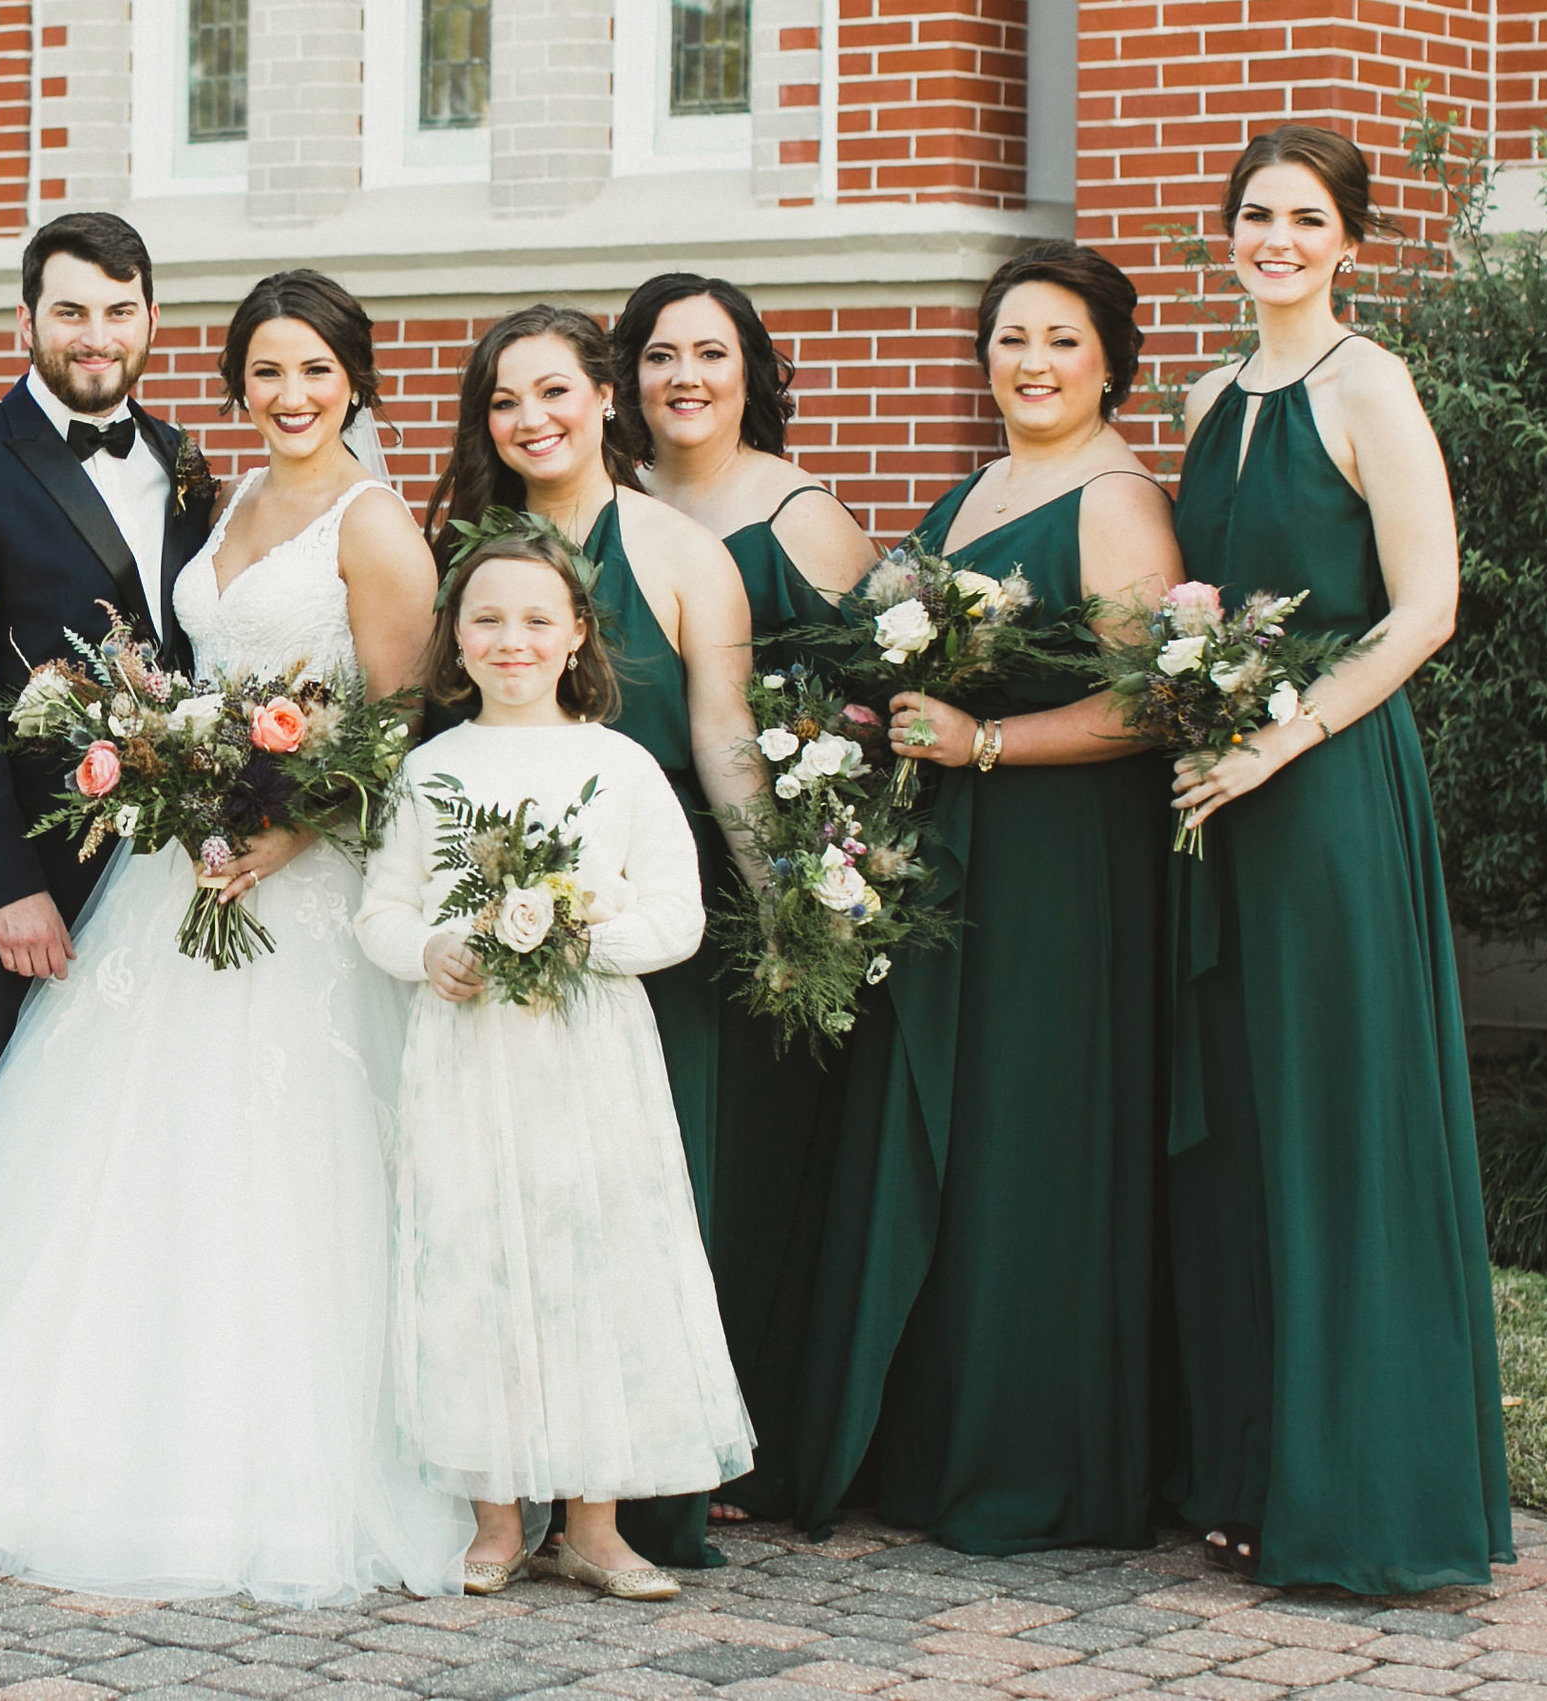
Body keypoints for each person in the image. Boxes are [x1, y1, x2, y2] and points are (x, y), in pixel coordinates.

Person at [0, 270, 465, 1606]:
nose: (290, 394)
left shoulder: (378, 521)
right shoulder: (224, 489)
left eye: (315, 370)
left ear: (356, 379)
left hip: (298, 891)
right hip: (174, 875)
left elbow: (396, 724)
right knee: (121, 1153)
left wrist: (288, 836)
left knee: (278, 1167)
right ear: (234, 381)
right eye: (266, 370)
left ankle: (257, 1457)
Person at [1161, 124, 1510, 1594]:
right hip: (1216, 792)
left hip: (1327, 788)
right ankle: (1256, 1473)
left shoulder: (1372, 386)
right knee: (1242, 1126)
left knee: (1333, 1119)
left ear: (1349, 242)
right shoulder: (1204, 395)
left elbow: (1426, 609)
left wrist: (1280, 738)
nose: (1278, 240)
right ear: (1228, 231)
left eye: (1308, 218)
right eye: (1257, 214)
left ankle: (1362, 1491)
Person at [790, 241, 1179, 1554]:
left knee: (1028, 1134)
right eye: (1012, 337)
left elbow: (1154, 703)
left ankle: (1031, 1456)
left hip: (1064, 865)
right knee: (945, 1130)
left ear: (1112, 363)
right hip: (960, 848)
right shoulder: (975, 489)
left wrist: (989, 743)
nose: (1033, 361)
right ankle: (924, 1438)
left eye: (1063, 339)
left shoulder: (1114, 500)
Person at [355, 530, 754, 1604]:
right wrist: (430, 950)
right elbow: (380, 910)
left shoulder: (619, 767)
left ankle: (594, 1526)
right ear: (455, 640)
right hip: (466, 1056)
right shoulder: (429, 771)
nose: (512, 640)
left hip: (588, 1060)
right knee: (472, 1259)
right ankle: (495, 1517)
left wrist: (578, 940)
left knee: (592, 1263)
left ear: (578, 634)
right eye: (486, 618)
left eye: (538, 618)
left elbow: (676, 916)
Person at [425, 304, 763, 1570]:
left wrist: (781, 898)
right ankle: (503, 1494)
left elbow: (723, 734)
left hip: (642, 919)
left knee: (631, 1210)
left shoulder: (681, 551)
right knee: (502, 1215)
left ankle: (628, 1501)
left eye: (555, 391)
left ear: (606, 396)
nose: (533, 419)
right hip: (484, 944)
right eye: (506, 400)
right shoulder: (462, 557)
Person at [614, 274, 881, 1529]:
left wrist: (806, 870)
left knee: (742, 1151)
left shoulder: (800, 515)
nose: (686, 378)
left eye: (711, 354)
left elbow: (876, 687)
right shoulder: (608, 498)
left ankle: (741, 1431)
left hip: (745, 865)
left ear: (753, 371)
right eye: (661, 354)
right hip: (621, 862)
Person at [0, 212, 220, 1223]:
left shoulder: (185, 463)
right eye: (71, 311)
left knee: (127, 1134)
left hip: (159, 869)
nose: (96, 335)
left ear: (152, 319)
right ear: (26, 321)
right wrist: (6, 888)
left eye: (119, 311)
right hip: (29, 872)